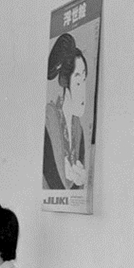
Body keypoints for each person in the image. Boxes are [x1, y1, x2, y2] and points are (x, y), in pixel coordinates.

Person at [43, 32, 89, 190]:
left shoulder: (79, 131)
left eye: (84, 80)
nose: (83, 91)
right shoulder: (49, 120)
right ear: (64, 82)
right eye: (77, 81)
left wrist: (80, 181)